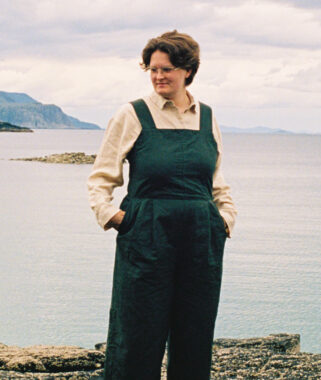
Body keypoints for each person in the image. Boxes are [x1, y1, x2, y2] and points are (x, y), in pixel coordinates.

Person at [87, 30, 237, 379]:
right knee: (137, 332)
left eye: (166, 69)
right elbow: (100, 178)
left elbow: (216, 179)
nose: (158, 76)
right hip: (146, 235)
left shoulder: (207, 117)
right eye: (152, 69)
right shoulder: (132, 114)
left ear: (188, 71)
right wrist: (116, 217)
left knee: (195, 332)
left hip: (201, 239)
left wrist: (225, 220)